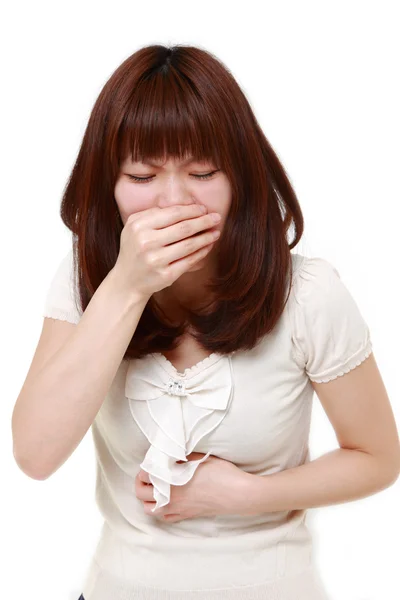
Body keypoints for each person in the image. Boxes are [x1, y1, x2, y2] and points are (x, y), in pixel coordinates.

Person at [12, 44, 400, 600]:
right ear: (109, 186)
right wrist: (126, 285)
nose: (174, 201)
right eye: (142, 175)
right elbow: (35, 454)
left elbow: (378, 458)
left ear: (240, 176)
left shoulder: (309, 294)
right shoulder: (87, 279)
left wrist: (238, 494)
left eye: (202, 171)